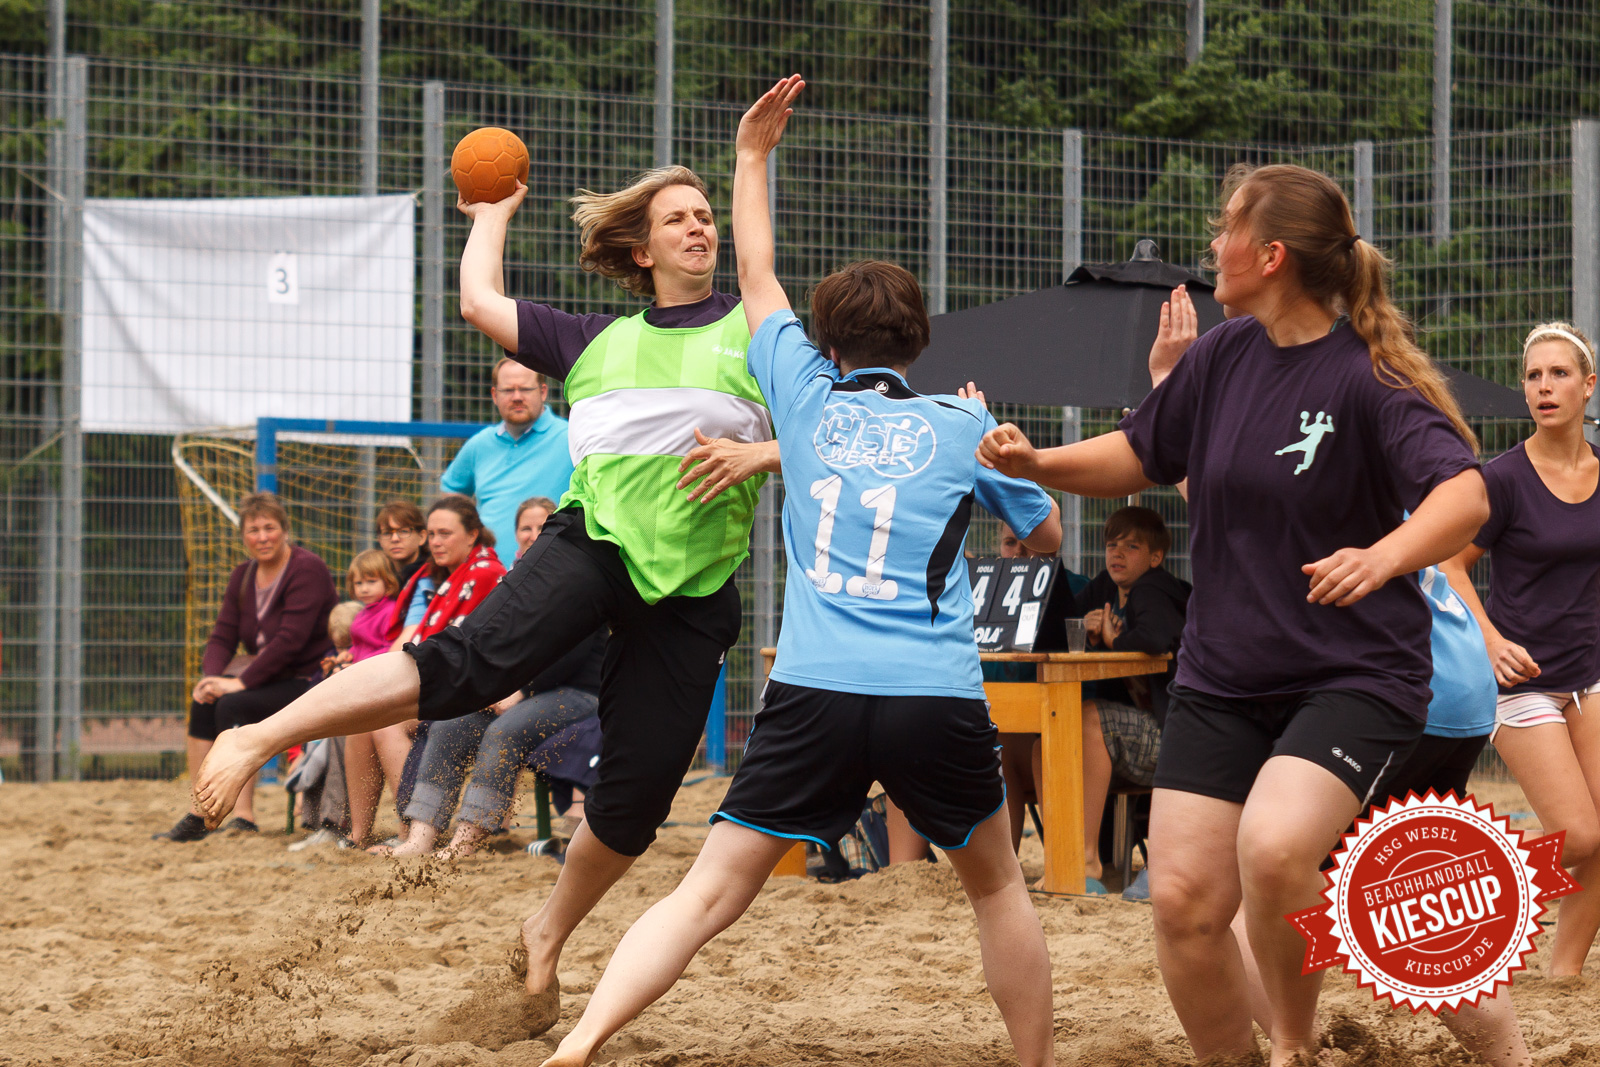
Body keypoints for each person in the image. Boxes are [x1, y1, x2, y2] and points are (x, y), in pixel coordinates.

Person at [538, 75, 1063, 1067]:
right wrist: (995, 462)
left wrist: (750, 156)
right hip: (931, 692)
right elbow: (1041, 545)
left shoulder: (802, 394)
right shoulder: (963, 426)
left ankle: (581, 1042)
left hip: (813, 686)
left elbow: (758, 266)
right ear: (917, 342)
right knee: (995, 885)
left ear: (822, 342)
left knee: (706, 891)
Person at [192, 148, 774, 1033]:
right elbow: (478, 302)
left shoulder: (758, 333)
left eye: (705, 215)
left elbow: (828, 426)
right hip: (595, 545)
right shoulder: (595, 341)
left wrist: (759, 452)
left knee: (637, 803)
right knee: (458, 664)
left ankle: (547, 932)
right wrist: (492, 211)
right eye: (678, 218)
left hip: (693, 592)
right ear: (642, 251)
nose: (698, 226)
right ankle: (255, 733)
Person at [978, 162, 1486, 1065]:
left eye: (1225, 228)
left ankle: (1294, 1047)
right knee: (1179, 899)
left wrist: (1383, 555)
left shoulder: (1368, 375)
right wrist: (1036, 464)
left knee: (1276, 845)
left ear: (1272, 253)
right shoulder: (1220, 355)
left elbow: (1463, 494)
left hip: (1353, 675)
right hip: (1221, 674)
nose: (1213, 243)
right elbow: (1139, 449)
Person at [1440, 321, 1600, 979]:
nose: (1544, 386)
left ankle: (1562, 976)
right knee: (1583, 835)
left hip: (1591, 676)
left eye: (1559, 373)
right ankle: (1444, 899)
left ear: (1588, 386)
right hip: (1520, 681)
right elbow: (1447, 564)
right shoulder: (1501, 479)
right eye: (1534, 376)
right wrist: (1491, 637)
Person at [155, 492, 338, 841]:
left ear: (285, 529)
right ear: (244, 537)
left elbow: (290, 641)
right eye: (254, 530)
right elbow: (223, 634)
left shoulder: (306, 568)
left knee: (234, 703)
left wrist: (239, 683)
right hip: (266, 677)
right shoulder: (243, 575)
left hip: (309, 678)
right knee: (205, 700)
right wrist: (211, 677)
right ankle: (202, 810)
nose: (263, 536)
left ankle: (243, 814)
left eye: (270, 527)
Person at [383, 627, 604, 858]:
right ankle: (420, 839)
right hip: (518, 690)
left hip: (577, 692)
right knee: (447, 729)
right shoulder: (521, 594)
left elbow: (569, 656)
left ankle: (464, 843)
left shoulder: (576, 594)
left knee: (503, 731)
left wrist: (522, 691)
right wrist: (488, 690)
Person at [376, 495, 509, 851]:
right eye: (432, 533)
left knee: (386, 723)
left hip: (473, 692)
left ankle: (409, 830)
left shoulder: (484, 574)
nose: (435, 541)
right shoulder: (452, 576)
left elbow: (464, 652)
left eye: (445, 533)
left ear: (472, 535)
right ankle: (350, 833)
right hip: (449, 685)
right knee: (360, 722)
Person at [1076, 506, 1189, 895]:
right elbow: (1066, 620)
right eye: (1111, 545)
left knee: (1088, 718)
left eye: (1131, 546)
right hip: (1138, 742)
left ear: (1156, 558)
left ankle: (1088, 860)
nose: (1117, 554)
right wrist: (1089, 633)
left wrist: (1112, 641)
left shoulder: (1153, 588)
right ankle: (1072, 862)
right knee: (1050, 740)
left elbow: (1156, 639)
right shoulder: (1107, 589)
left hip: (1178, 740)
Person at [442, 359, 574, 566]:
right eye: (508, 390)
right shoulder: (480, 444)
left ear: (543, 392)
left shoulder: (571, 439)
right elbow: (451, 495)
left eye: (525, 389)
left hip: (551, 572)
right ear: (494, 395)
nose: (517, 397)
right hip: (488, 577)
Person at [376, 500, 428, 589]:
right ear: (379, 540)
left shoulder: (434, 576)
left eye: (404, 531)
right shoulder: (375, 578)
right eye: (387, 533)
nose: (394, 539)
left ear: (422, 537)